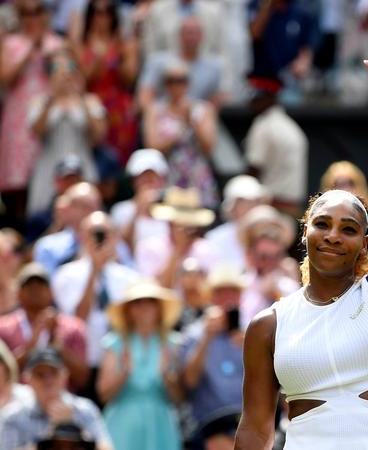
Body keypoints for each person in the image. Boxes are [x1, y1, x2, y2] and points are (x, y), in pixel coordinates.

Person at [234, 54, 368, 448]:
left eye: (349, 229)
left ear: (365, 244)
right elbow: (256, 428)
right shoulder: (269, 324)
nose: (333, 235)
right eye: (322, 224)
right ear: (305, 234)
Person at [51, 211, 141, 398]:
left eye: (105, 233)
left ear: (116, 238)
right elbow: (77, 320)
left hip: (118, 367)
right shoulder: (66, 275)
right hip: (82, 366)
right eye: (94, 233)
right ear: (82, 237)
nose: (100, 239)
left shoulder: (130, 278)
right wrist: (94, 269)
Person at [96, 280, 183, 450]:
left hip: (161, 425)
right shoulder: (115, 343)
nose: (144, 307)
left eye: (151, 302)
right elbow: (103, 394)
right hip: (123, 424)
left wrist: (166, 376)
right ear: (128, 310)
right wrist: (124, 374)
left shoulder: (173, 344)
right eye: (137, 302)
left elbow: (179, 398)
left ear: (159, 309)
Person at [0, 0, 62, 220]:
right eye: (27, 12)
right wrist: (30, 47)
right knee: (18, 181)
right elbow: (6, 77)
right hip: (19, 116)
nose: (32, 17)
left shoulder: (55, 43)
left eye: (37, 11)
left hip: (49, 116)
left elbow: (68, 72)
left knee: (48, 175)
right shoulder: (10, 44)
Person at [27, 47, 106, 216]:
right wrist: (52, 98)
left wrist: (81, 97)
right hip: (48, 172)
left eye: (69, 66)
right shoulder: (39, 102)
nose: (64, 73)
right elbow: (37, 132)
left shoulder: (90, 100)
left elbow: (99, 134)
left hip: (82, 167)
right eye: (57, 68)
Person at [180, 264, 247, 449]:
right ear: (210, 297)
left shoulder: (252, 334)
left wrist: (251, 349)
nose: (227, 299)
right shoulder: (194, 335)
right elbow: (189, 383)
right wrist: (206, 339)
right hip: (206, 431)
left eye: (233, 292)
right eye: (221, 293)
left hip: (246, 430)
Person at [0, 347, 112, 450]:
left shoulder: (84, 409)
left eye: (53, 373)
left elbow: (107, 448)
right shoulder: (13, 417)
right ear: (28, 379)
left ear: (65, 375)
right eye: (40, 374)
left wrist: (74, 427)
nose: (48, 381)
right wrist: (50, 439)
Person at [0, 262, 89, 391]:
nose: (35, 290)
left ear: (51, 292)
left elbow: (82, 378)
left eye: (41, 285)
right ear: (18, 293)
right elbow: (3, 375)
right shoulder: (3, 328)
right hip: (15, 403)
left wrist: (56, 342)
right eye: (29, 286)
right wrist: (30, 346)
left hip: (61, 399)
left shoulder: (74, 327)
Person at [143, 62, 218, 208]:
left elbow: (209, 148)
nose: (176, 86)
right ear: (165, 84)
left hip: (196, 176)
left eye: (181, 80)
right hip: (168, 176)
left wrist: (192, 123)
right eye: (171, 81)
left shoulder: (203, 109)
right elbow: (151, 147)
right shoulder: (155, 111)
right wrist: (180, 130)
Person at [76, 0, 139, 166]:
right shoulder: (81, 44)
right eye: (97, 12)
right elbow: (81, 81)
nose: (102, 17)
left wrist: (118, 56)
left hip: (118, 107)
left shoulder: (125, 44)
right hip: (92, 107)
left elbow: (129, 79)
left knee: (120, 159)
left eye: (107, 12)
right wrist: (98, 59)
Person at [243, 79, 309, 216]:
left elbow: (253, 168)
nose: (253, 102)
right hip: (293, 207)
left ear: (270, 98)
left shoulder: (263, 124)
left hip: (270, 207)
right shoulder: (290, 126)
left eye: (257, 98)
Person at [205, 175, 271, 272]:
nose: (251, 207)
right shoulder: (214, 239)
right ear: (233, 207)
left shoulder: (270, 239)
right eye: (245, 202)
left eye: (255, 202)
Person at [110, 148, 170, 253]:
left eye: (153, 177)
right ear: (134, 181)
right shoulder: (120, 210)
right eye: (143, 177)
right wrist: (138, 211)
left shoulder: (172, 211)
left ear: (162, 180)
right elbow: (122, 248)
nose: (148, 181)